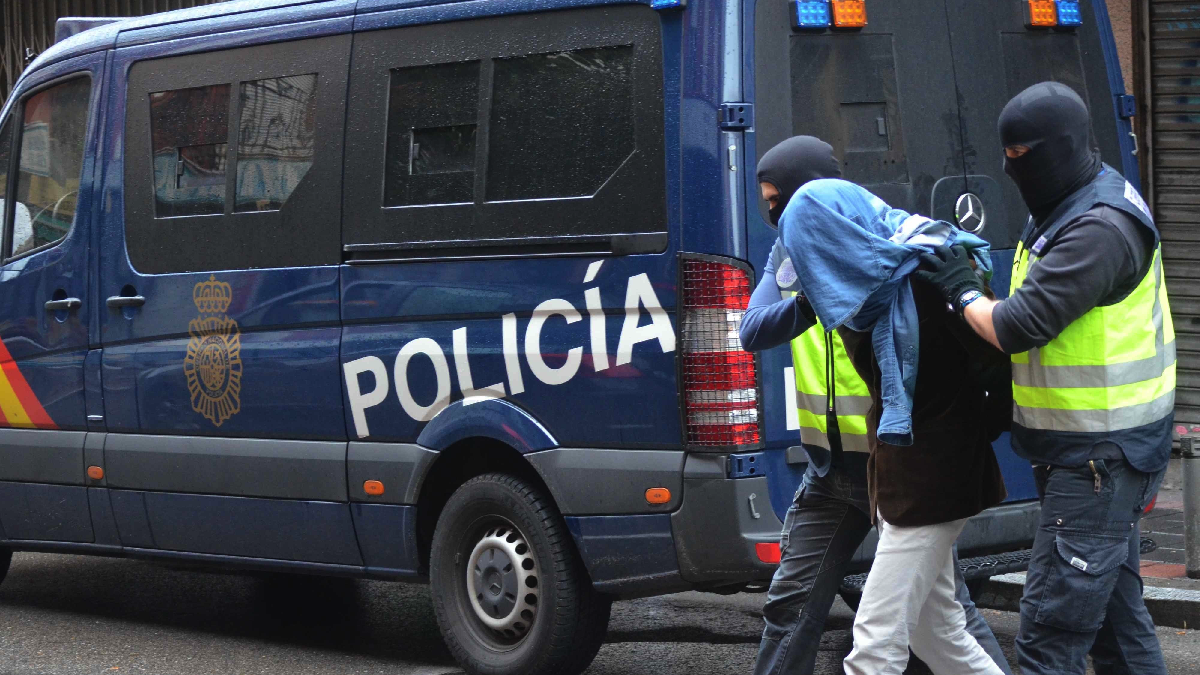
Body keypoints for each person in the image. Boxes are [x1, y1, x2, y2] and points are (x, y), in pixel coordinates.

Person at [915, 82, 1173, 675]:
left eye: (1024, 156)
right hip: (1093, 450)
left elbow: (1018, 324)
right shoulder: (1069, 199)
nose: (1011, 170)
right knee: (1117, 629)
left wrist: (960, 291)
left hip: (1100, 458)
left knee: (1048, 640)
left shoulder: (1098, 228)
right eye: (1007, 156)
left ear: (1060, 148)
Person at [743, 135, 1012, 675]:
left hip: (924, 477)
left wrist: (821, 290)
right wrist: (816, 296)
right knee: (941, 636)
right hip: (864, 470)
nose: (776, 220)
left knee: (875, 645)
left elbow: (982, 365)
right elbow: (754, 328)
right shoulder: (841, 272)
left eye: (781, 204)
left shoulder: (913, 272)